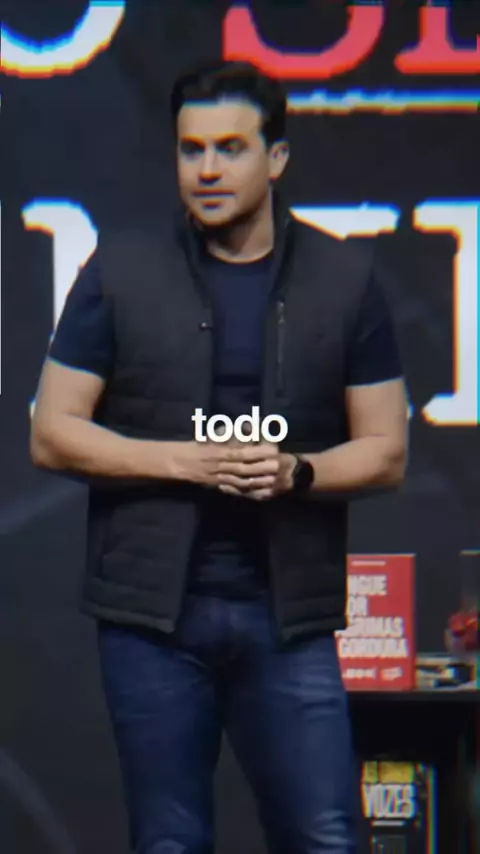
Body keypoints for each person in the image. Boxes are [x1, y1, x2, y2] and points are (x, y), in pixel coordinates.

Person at [30, 60, 408, 854]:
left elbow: (386, 452)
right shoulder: (121, 270)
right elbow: (53, 432)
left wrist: (297, 472)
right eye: (190, 149)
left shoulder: (344, 279)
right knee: (169, 842)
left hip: (287, 618)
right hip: (152, 623)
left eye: (230, 148)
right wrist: (188, 463)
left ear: (276, 157)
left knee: (325, 838)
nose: (206, 169)